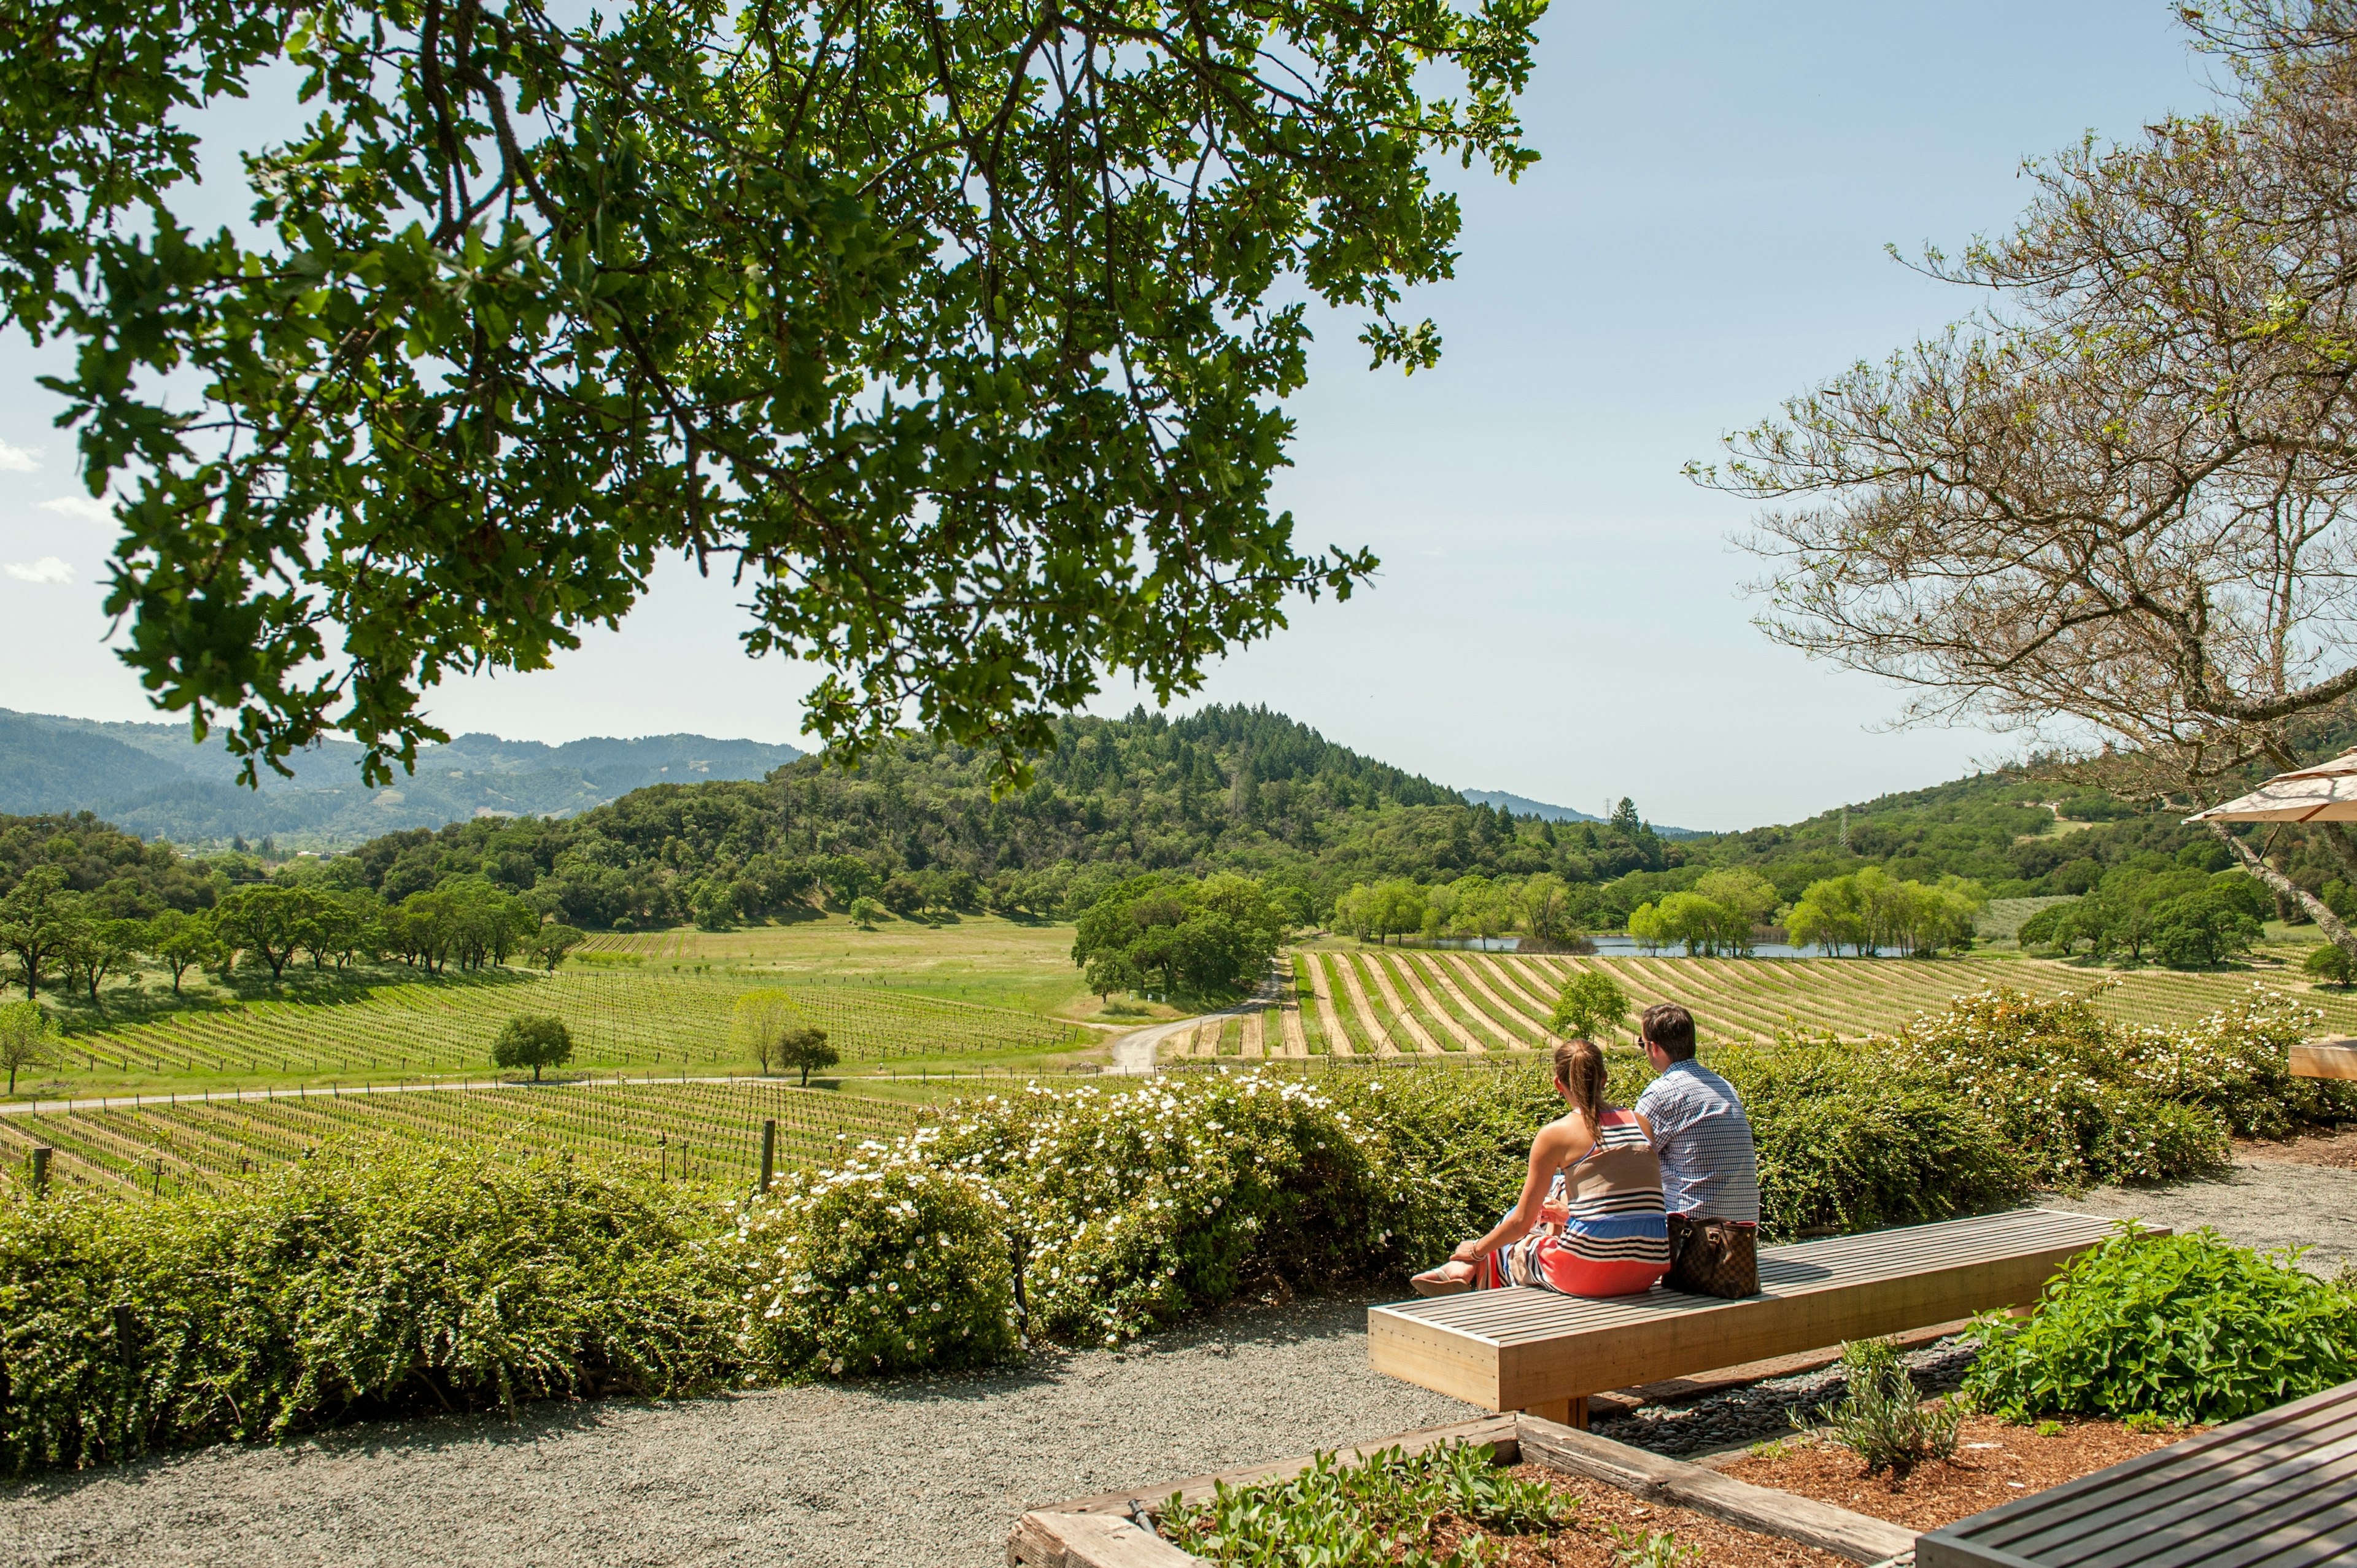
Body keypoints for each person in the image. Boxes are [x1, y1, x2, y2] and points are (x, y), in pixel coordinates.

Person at [1409, 1037, 1670, 1298]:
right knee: (1557, 1187)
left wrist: (1475, 1250)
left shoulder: (1556, 1134)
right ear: (1604, 1078)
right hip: (1648, 1268)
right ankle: (1462, 1271)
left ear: (1558, 1084)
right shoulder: (1640, 1124)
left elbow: (1521, 1223)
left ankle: (1467, 1276)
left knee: (1507, 1249)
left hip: (1589, 1271)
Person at [1630, 1002, 1760, 1297]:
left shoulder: (1663, 1092)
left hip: (1694, 1245)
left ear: (1654, 1048)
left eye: (1642, 1044)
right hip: (1742, 1242)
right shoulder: (1724, 1086)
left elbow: (1632, 1162)